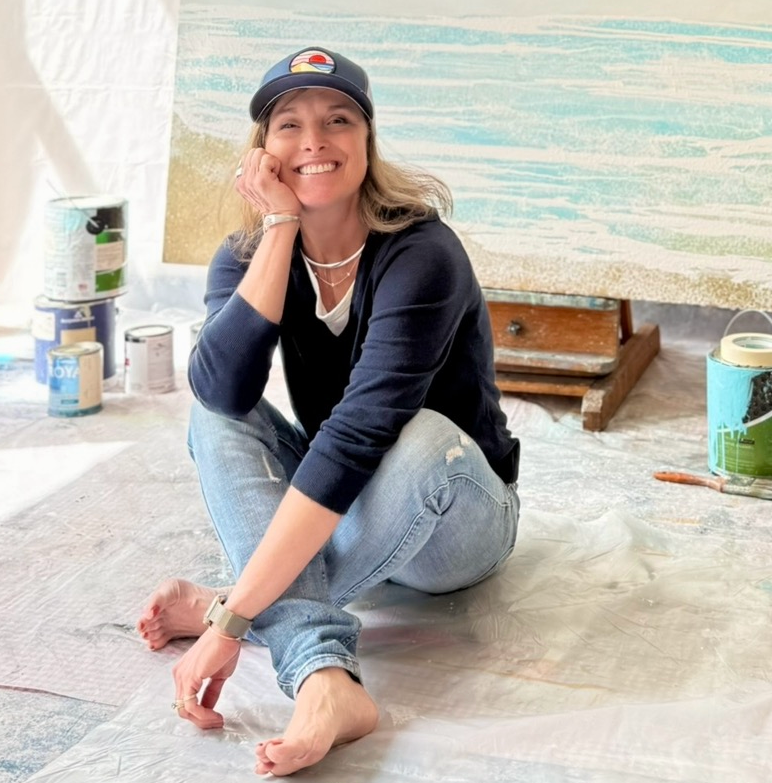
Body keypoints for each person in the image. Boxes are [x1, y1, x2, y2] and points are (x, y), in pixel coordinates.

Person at [136, 46, 521, 777]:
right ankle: (324, 679)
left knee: (419, 434)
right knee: (214, 416)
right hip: (352, 508)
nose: (314, 140)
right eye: (290, 124)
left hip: (458, 513)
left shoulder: (423, 252)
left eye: (338, 119)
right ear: (263, 151)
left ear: (368, 140)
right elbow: (222, 390)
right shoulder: (248, 254)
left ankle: (236, 599)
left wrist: (230, 618)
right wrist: (280, 227)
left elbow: (358, 436)